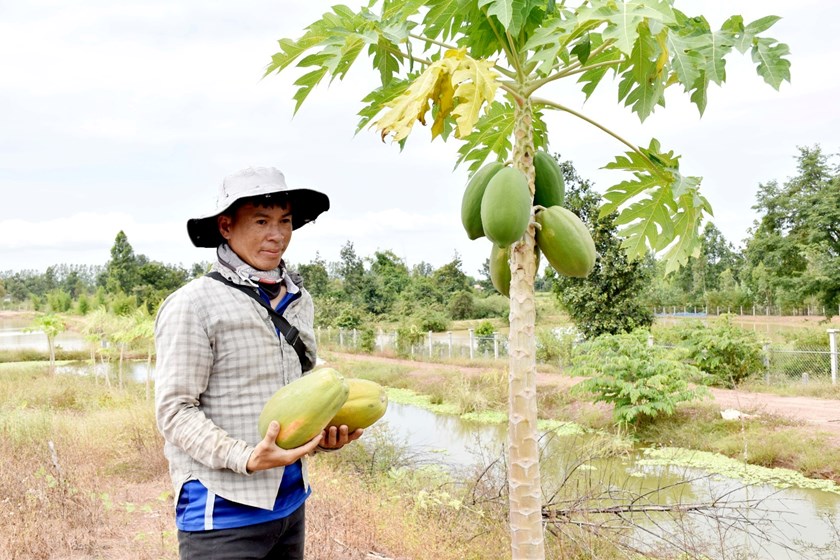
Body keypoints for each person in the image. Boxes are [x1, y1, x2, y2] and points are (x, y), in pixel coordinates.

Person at [154, 166, 362, 560]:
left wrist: (323, 434)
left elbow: (301, 390)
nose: (277, 234)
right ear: (227, 226)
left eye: (285, 221)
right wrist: (245, 457)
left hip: (289, 502)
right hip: (221, 511)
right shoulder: (193, 304)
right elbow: (174, 411)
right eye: (262, 221)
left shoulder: (298, 299)